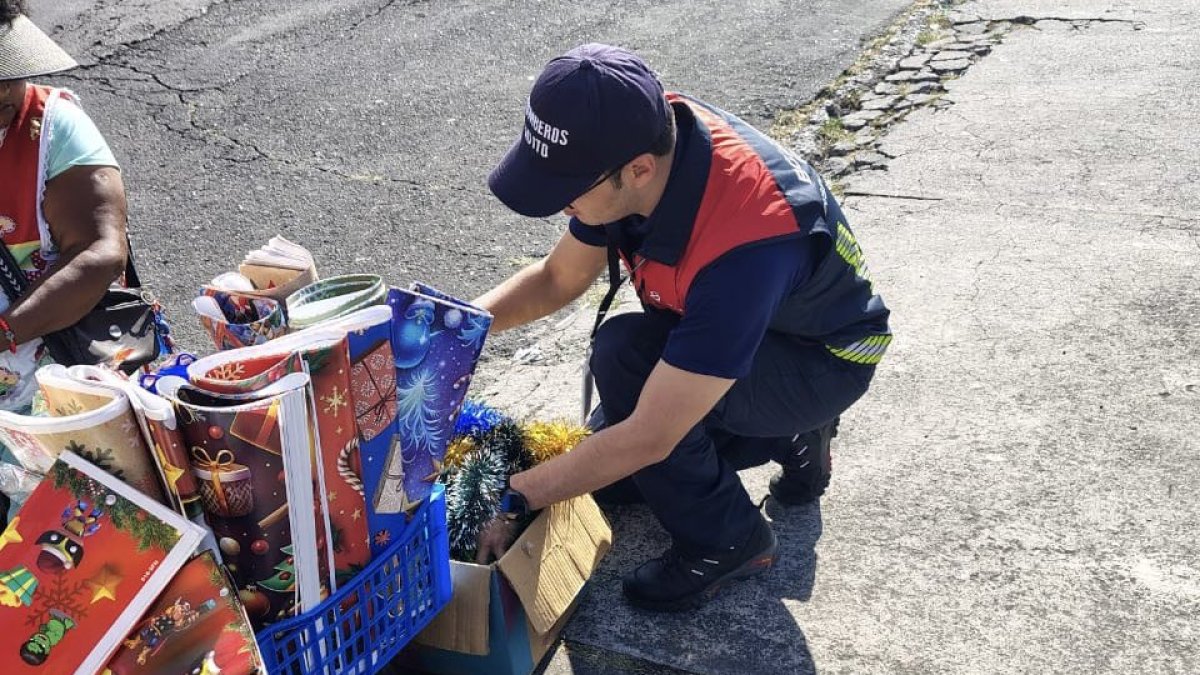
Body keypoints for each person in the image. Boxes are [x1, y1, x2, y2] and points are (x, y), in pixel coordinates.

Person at [473, 43, 891, 612]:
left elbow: (651, 434)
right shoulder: (638, 139)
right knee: (620, 366)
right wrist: (457, 330)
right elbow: (556, 278)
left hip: (820, 361)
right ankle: (783, 436)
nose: (558, 205)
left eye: (565, 188)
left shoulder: (745, 245)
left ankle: (728, 539)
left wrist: (515, 496)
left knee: (631, 372)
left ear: (638, 170)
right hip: (762, 330)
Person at [0, 1, 131, 520]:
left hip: (48, 375)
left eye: (10, 73)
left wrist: (7, 331)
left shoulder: (54, 127)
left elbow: (99, 253)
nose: (5, 91)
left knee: (53, 535)